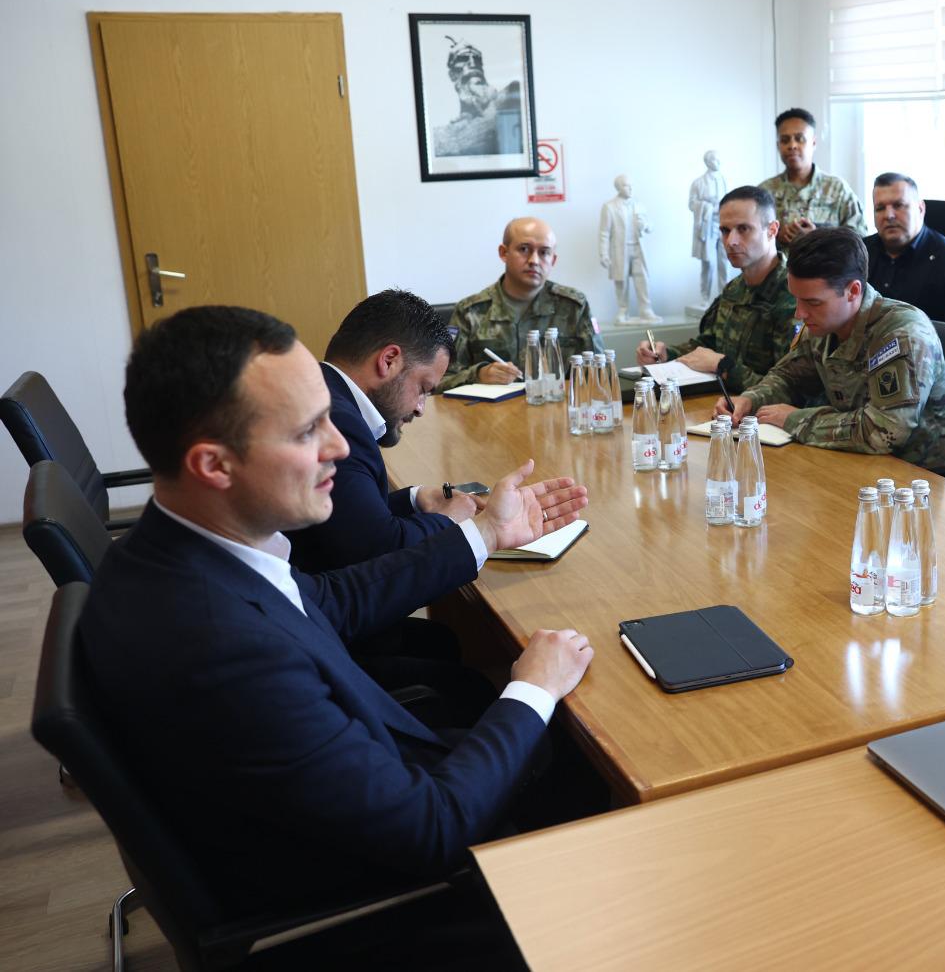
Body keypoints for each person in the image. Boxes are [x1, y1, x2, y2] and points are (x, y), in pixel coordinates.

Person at [81, 305, 592, 954]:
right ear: (214, 465)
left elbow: (331, 600)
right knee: (583, 770)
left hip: (345, 796)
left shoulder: (183, 551)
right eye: (308, 431)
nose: (342, 447)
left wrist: (486, 533)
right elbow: (432, 829)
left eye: (330, 416)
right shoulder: (217, 645)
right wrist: (532, 689)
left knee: (544, 733)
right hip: (375, 905)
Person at [720, 227, 945, 469]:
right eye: (797, 298)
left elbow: (883, 431)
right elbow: (788, 377)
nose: (799, 313)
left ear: (853, 291)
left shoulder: (901, 334)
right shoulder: (825, 323)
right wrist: (750, 400)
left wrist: (794, 420)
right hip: (857, 462)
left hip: (919, 478)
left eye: (812, 302)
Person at [287, 289, 479, 573]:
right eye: (423, 389)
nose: (420, 408)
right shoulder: (339, 423)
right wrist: (449, 521)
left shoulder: (320, 390)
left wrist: (414, 499)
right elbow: (378, 550)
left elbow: (349, 518)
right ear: (388, 360)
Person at [636, 185, 799, 393]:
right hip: (720, 404)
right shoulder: (734, 288)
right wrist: (665, 354)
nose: (731, 241)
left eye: (743, 229)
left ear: (772, 230)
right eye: (725, 231)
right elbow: (709, 344)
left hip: (759, 411)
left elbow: (790, 391)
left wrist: (723, 366)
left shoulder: (795, 295)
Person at [442, 216, 602, 390]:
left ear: (553, 260)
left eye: (544, 252)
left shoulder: (574, 307)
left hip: (554, 404)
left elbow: (600, 373)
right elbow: (440, 380)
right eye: (524, 249)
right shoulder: (470, 311)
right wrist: (479, 375)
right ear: (504, 253)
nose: (534, 260)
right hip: (491, 407)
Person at [863, 172, 945, 327]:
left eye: (898, 205)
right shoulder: (861, 251)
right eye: (880, 208)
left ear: (920, 209)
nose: (889, 215)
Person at [758, 107, 870, 248]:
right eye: (785, 140)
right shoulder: (764, 193)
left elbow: (860, 240)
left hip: (828, 262)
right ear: (778, 145)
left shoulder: (837, 190)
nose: (792, 145)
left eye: (800, 139)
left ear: (813, 143)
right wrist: (775, 236)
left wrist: (818, 237)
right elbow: (751, 240)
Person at [599, 173, 661, 324]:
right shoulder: (609, 207)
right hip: (620, 249)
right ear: (619, 188)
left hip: (638, 248)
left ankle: (646, 310)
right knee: (621, 280)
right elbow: (604, 232)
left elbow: (650, 226)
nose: (631, 188)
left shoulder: (639, 204)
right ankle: (623, 310)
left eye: (632, 185)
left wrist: (645, 225)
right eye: (627, 186)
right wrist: (603, 254)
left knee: (642, 279)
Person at [688, 149, 730, 306]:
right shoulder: (698, 183)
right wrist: (708, 207)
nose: (718, 162)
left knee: (724, 262)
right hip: (708, 225)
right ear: (707, 162)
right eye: (714, 160)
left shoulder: (724, 179)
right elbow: (691, 204)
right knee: (708, 263)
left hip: (724, 225)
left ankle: (725, 296)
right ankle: (704, 297)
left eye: (719, 159)